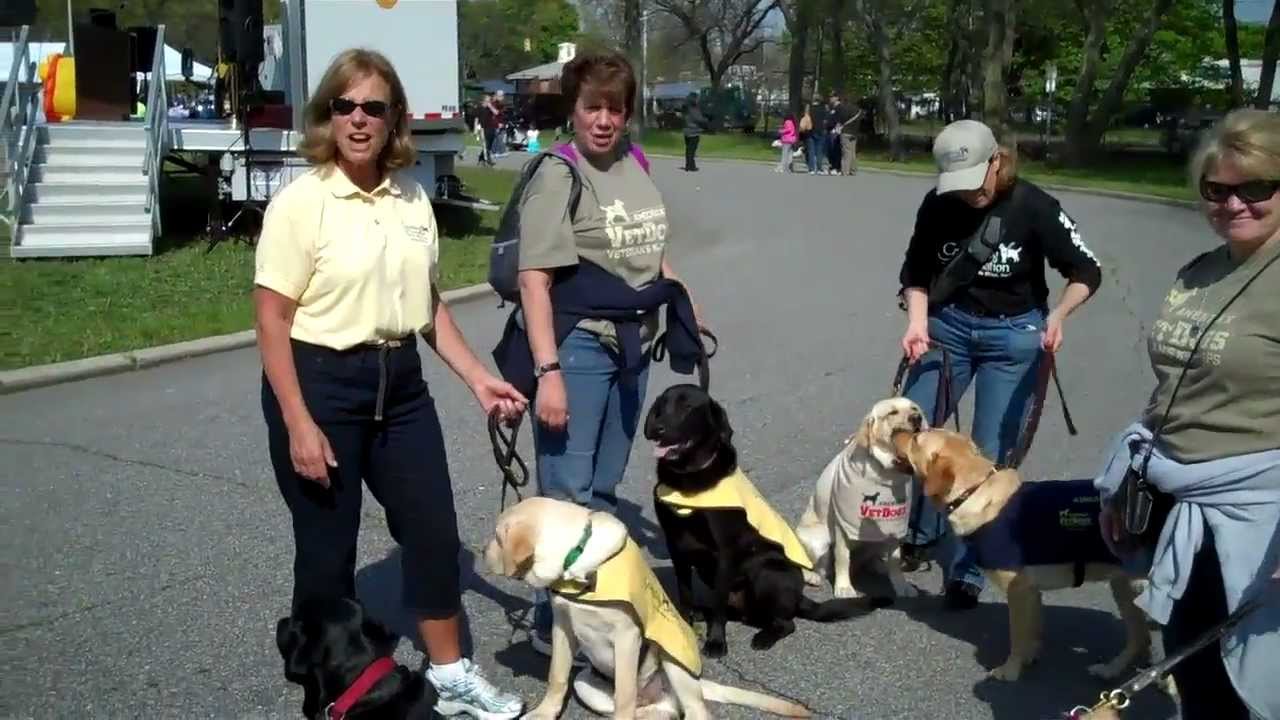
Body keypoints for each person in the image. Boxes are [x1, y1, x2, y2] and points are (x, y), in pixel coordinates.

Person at [253, 48, 527, 719]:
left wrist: (478, 379)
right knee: (327, 557)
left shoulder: (413, 198)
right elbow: (271, 318)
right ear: (327, 113)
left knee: (432, 532)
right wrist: (297, 421)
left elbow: (426, 305)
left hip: (399, 386)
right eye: (344, 105)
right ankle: (328, 701)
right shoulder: (302, 203)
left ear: (394, 118)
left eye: (373, 106)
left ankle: (452, 676)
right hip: (321, 384)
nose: (357, 119)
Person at [509, 49, 705, 654]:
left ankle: (590, 612)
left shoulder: (635, 161)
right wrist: (549, 375)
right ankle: (552, 626)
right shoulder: (557, 174)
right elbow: (534, 281)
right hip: (579, 348)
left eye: (614, 109)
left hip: (634, 347)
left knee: (604, 488)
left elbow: (651, 248)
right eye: (592, 107)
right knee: (567, 493)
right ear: (572, 109)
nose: (603, 120)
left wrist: (681, 300)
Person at [1095, 109, 1280, 720]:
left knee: (1243, 677)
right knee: (1193, 665)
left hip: (1259, 515)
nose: (1234, 204)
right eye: (1217, 189)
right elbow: (1173, 386)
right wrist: (1130, 475)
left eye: (1256, 188)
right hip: (1183, 498)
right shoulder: (1200, 272)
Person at [896, 119, 1102, 609]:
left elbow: (1085, 270)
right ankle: (922, 533)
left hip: (1014, 336)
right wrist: (917, 323)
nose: (968, 195)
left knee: (988, 451)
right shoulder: (938, 204)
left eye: (975, 182)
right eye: (957, 185)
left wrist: (1059, 314)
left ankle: (970, 564)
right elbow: (916, 271)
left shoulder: (1033, 206)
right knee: (920, 434)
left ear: (996, 161)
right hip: (948, 329)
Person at [683, 93, 709, 171]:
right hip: (693, 132)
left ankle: (688, 165)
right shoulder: (693, 108)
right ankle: (691, 166)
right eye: (697, 98)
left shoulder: (686, 108)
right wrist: (707, 120)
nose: (698, 100)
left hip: (687, 131)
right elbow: (698, 119)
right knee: (692, 150)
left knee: (688, 150)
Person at [799, 105, 817, 174]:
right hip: (814, 134)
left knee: (809, 152)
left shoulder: (805, 118)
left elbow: (802, 128)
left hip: (807, 135)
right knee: (812, 151)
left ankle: (811, 167)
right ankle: (813, 166)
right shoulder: (814, 117)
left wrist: (800, 131)